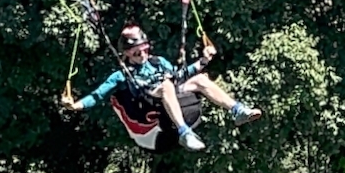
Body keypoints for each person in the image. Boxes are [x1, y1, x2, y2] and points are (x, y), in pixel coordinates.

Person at [62, 24, 261, 152]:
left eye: (145, 49)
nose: (142, 53)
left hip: (170, 93)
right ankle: (185, 133)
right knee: (166, 86)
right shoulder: (121, 75)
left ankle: (238, 111)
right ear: (127, 52)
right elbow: (98, 95)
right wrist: (76, 106)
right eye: (137, 51)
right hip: (148, 101)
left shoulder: (158, 62)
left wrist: (203, 60)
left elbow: (179, 74)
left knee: (199, 79)